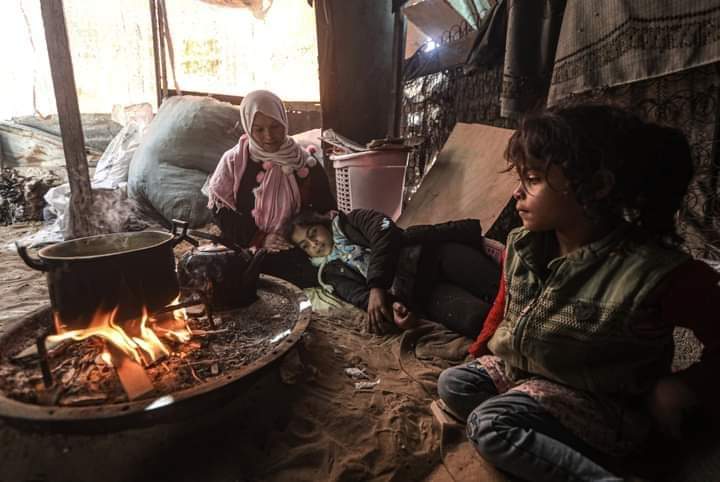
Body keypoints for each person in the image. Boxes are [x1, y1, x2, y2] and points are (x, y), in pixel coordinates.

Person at [435, 104, 720, 481]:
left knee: (489, 425)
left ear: (597, 187)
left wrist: (684, 386)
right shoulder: (524, 244)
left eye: (533, 179)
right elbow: (506, 306)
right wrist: (480, 351)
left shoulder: (652, 272)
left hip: (600, 402)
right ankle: (532, 424)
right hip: (529, 373)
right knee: (454, 383)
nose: (516, 192)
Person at [286, 208, 501, 336]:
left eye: (313, 233)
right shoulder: (330, 274)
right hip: (419, 292)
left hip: (432, 255)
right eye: (305, 245)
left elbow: (386, 233)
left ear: (323, 223)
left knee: (497, 286)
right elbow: (359, 297)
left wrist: (377, 286)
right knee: (478, 320)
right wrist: (393, 308)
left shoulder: (352, 220)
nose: (314, 243)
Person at [206, 90, 336, 287]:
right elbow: (219, 210)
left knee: (313, 274)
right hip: (245, 242)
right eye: (258, 129)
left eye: (275, 126)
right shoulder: (234, 161)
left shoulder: (305, 163)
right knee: (227, 274)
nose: (269, 136)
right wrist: (260, 238)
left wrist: (298, 234)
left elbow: (324, 209)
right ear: (248, 127)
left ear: (284, 121)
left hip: (293, 245)